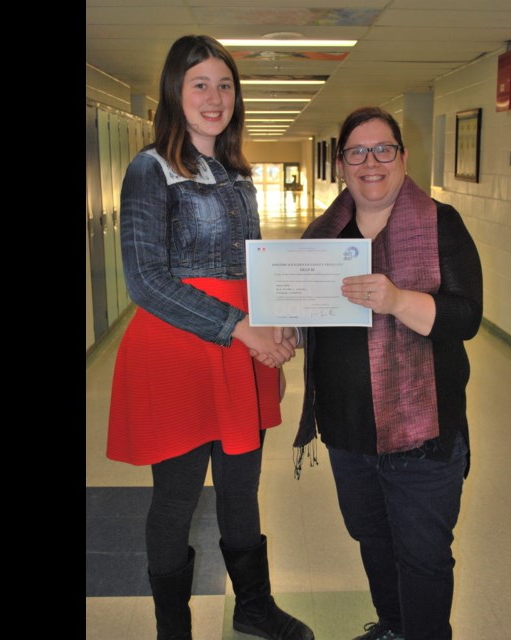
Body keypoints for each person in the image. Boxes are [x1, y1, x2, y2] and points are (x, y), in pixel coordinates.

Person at [106, 34, 313, 640]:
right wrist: (240, 328)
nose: (215, 97)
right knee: (176, 499)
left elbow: (251, 268)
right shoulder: (150, 168)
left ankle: (252, 606)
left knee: (241, 489)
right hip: (180, 350)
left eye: (225, 85)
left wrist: (280, 321)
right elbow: (145, 280)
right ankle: (173, 626)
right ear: (176, 91)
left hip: (243, 350)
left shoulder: (237, 176)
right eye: (200, 83)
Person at [293, 107, 483, 640]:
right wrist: (286, 329)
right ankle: (395, 628)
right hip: (349, 432)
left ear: (402, 157)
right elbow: (311, 318)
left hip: (422, 436)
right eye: (357, 151)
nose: (370, 161)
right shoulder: (323, 234)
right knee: (372, 539)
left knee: (422, 556)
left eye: (383, 149)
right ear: (341, 162)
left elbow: (466, 317)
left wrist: (399, 300)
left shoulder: (441, 223)